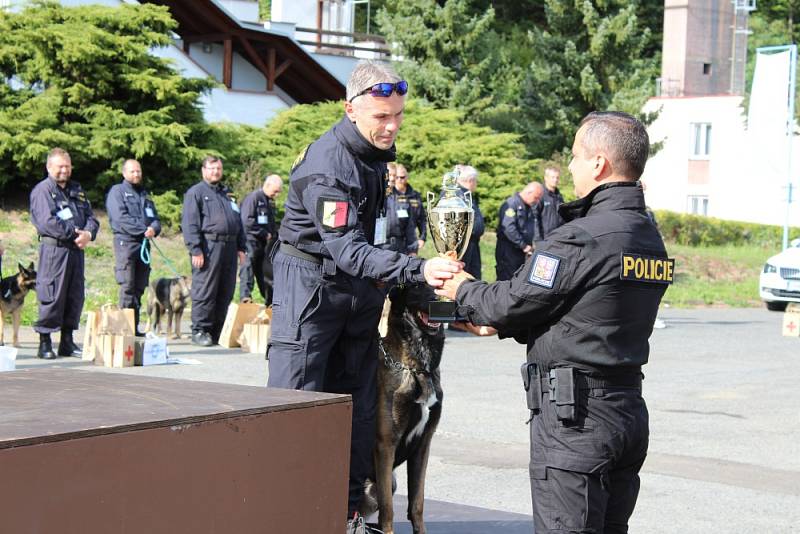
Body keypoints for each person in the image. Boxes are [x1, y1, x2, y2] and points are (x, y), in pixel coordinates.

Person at [437, 111, 673, 534]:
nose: (571, 167)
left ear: (599, 163)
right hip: (626, 412)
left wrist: (461, 289)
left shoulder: (580, 237)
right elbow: (585, 312)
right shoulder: (647, 236)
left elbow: (511, 302)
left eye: (577, 157)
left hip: (576, 420)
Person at [266, 60, 460, 533]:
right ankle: (290, 516)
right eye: (381, 117)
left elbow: (375, 246)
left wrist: (453, 299)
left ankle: (350, 514)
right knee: (299, 407)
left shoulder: (374, 158)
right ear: (350, 109)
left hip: (356, 294)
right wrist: (417, 266)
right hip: (311, 291)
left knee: (358, 409)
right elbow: (348, 248)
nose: (391, 126)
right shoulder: (327, 164)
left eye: (397, 115)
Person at [30, 148, 100, 359]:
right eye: (60, 166)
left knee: (74, 294)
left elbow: (91, 217)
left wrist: (88, 233)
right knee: (52, 294)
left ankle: (67, 342)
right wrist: (74, 233)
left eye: (67, 166)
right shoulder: (42, 191)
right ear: (49, 167)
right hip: (55, 250)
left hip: (76, 251)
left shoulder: (76, 189)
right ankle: (44, 343)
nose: (64, 170)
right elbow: (47, 222)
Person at [181, 156, 246, 347]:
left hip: (230, 247)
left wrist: (242, 248)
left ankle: (218, 330)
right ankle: (200, 329)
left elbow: (238, 222)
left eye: (218, 168)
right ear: (203, 170)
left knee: (225, 290)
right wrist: (195, 249)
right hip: (208, 247)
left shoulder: (228, 194)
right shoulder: (196, 193)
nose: (215, 172)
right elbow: (190, 223)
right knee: (205, 290)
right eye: (211, 168)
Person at [106, 159, 162, 334]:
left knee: (139, 287)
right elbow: (120, 218)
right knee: (127, 286)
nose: (136, 174)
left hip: (143, 246)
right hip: (126, 244)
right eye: (132, 171)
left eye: (138, 171)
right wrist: (144, 229)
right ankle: (124, 328)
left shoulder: (144, 195)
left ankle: (134, 328)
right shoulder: (117, 192)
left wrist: (154, 228)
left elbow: (155, 219)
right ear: (124, 173)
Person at [239, 174, 283, 305]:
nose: (276, 194)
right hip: (250, 241)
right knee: (248, 268)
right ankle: (245, 297)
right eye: (275, 191)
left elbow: (270, 223)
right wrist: (264, 233)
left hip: (263, 245)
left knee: (263, 272)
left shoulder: (268, 201)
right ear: (268, 185)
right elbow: (246, 221)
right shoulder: (253, 198)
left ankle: (269, 299)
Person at [495, 182, 544, 281]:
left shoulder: (529, 206)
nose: (537, 201)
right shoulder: (512, 204)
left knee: (517, 280)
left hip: (520, 252)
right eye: (536, 197)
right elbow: (509, 228)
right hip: (508, 250)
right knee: (506, 281)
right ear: (529, 192)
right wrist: (523, 245)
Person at [380, 163, 420, 255]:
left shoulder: (403, 199)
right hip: (379, 247)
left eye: (394, 175)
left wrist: (413, 250)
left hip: (400, 248)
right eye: (389, 175)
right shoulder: (375, 197)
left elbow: (410, 227)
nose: (393, 178)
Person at [455, 165, 485, 278]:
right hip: (462, 244)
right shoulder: (456, 195)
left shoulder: (466, 195)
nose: (476, 183)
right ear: (470, 180)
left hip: (472, 243)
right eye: (475, 180)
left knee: (473, 276)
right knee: (463, 276)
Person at [396, 164, 427, 252]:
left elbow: (422, 219)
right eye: (397, 177)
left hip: (411, 239)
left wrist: (422, 237)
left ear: (407, 177)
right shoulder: (389, 195)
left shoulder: (415, 195)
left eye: (402, 177)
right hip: (393, 240)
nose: (399, 180)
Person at [537, 166, 565, 239]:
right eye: (552, 177)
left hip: (558, 236)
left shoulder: (559, 196)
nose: (555, 180)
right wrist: (537, 240)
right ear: (546, 178)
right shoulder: (540, 194)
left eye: (557, 177)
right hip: (545, 238)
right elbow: (535, 219)